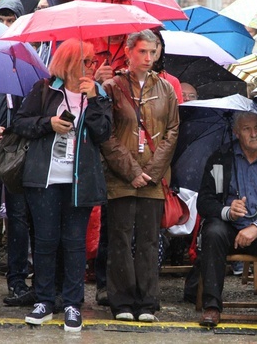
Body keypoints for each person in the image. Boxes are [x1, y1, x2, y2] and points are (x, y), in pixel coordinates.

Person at [14, 38, 112, 332]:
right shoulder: (44, 89)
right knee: (45, 241)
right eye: (87, 61)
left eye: (93, 61)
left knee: (74, 243)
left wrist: (94, 99)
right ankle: (44, 301)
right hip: (44, 178)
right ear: (70, 63)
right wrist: (49, 123)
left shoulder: (99, 94)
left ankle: (72, 304)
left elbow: (103, 132)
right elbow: (21, 122)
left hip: (79, 181)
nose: (93, 66)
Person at [101, 30, 179, 322]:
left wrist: (152, 172)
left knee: (148, 238)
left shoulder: (166, 89)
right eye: (143, 52)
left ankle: (147, 301)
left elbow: (172, 132)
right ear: (129, 52)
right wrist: (132, 171)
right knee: (120, 237)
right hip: (121, 175)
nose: (149, 58)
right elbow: (105, 135)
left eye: (153, 52)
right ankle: (121, 301)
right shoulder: (112, 87)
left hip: (154, 176)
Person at [197, 111, 257, 336]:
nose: (254, 133)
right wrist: (228, 212)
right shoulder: (220, 157)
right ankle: (211, 306)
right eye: (248, 129)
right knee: (212, 231)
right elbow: (204, 201)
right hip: (231, 229)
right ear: (236, 132)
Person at [0, 0, 34, 307]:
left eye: (11, 20)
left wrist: (16, 129)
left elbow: (34, 109)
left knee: (19, 217)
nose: (6, 26)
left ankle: (17, 279)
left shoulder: (28, 61)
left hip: (18, 151)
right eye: (1, 19)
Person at [151, 27, 183, 104]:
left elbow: (177, 113)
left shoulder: (172, 81)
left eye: (157, 43)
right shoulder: (124, 77)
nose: (153, 48)